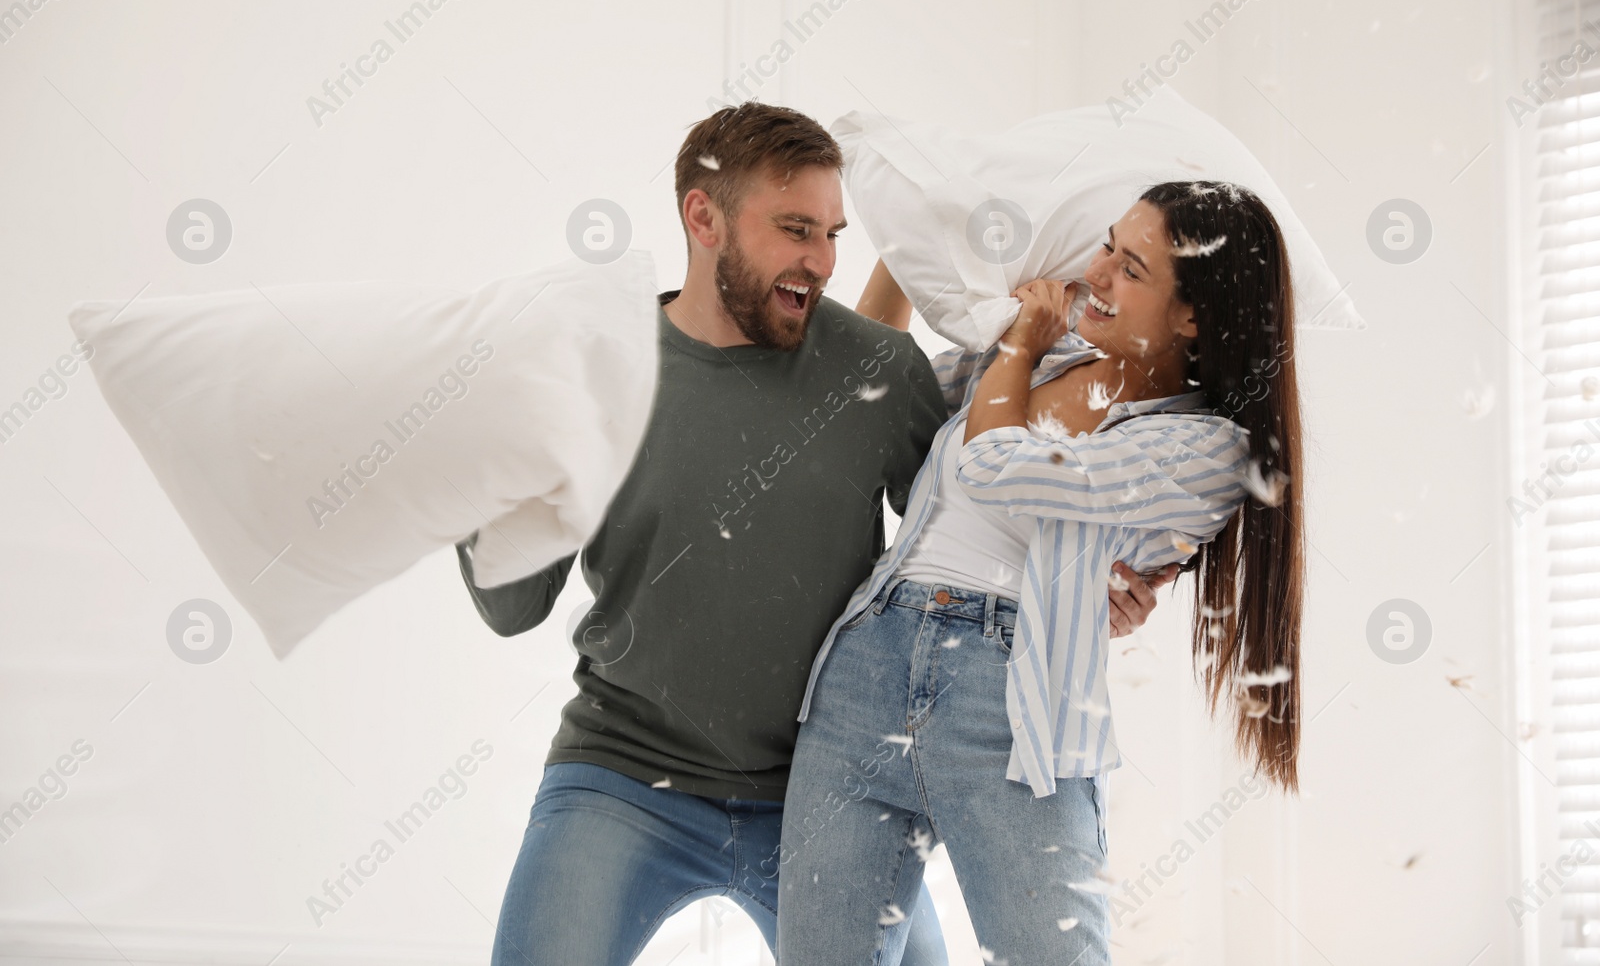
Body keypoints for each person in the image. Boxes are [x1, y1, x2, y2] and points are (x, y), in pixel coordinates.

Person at [454, 103, 1171, 966]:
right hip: (623, 774)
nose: (824, 259)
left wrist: (1091, 580)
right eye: (795, 229)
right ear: (703, 217)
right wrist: (489, 459)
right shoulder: (598, 375)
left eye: (831, 232)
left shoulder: (878, 367)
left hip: (827, 790)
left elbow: (972, 524)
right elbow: (509, 605)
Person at [777, 181, 1306, 966]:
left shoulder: (1205, 447)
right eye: (1106, 246)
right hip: (865, 669)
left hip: (1012, 709)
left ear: (1193, 314)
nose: (1097, 273)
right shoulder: (1050, 354)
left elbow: (997, 467)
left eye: (1131, 267)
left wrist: (1019, 342)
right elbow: (866, 395)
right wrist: (907, 238)